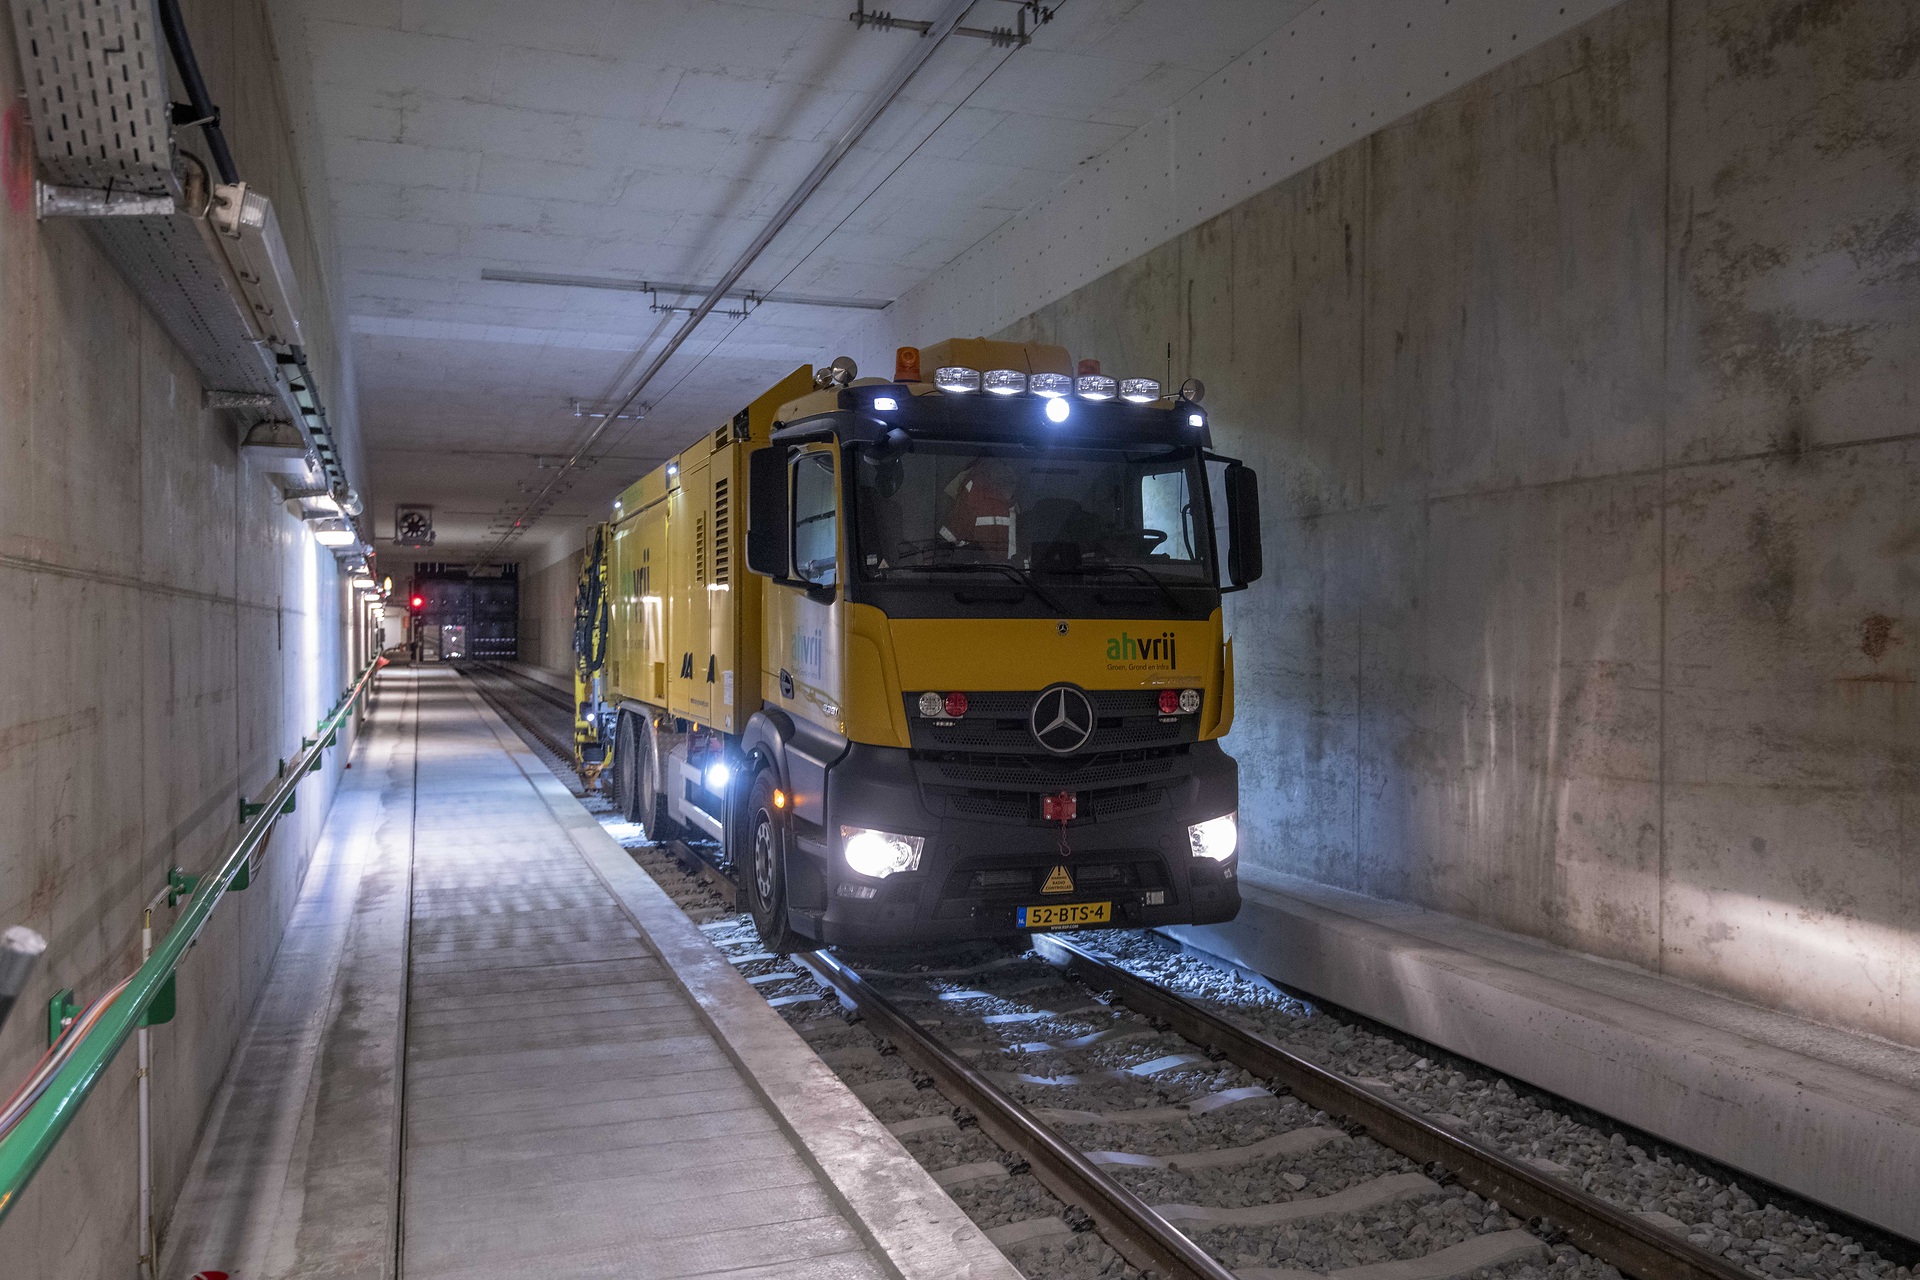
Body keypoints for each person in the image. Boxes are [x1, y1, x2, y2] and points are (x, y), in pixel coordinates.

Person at [940, 457, 1020, 559]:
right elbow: (951, 540)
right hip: (984, 569)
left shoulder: (1015, 508)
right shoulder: (974, 495)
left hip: (1007, 570)